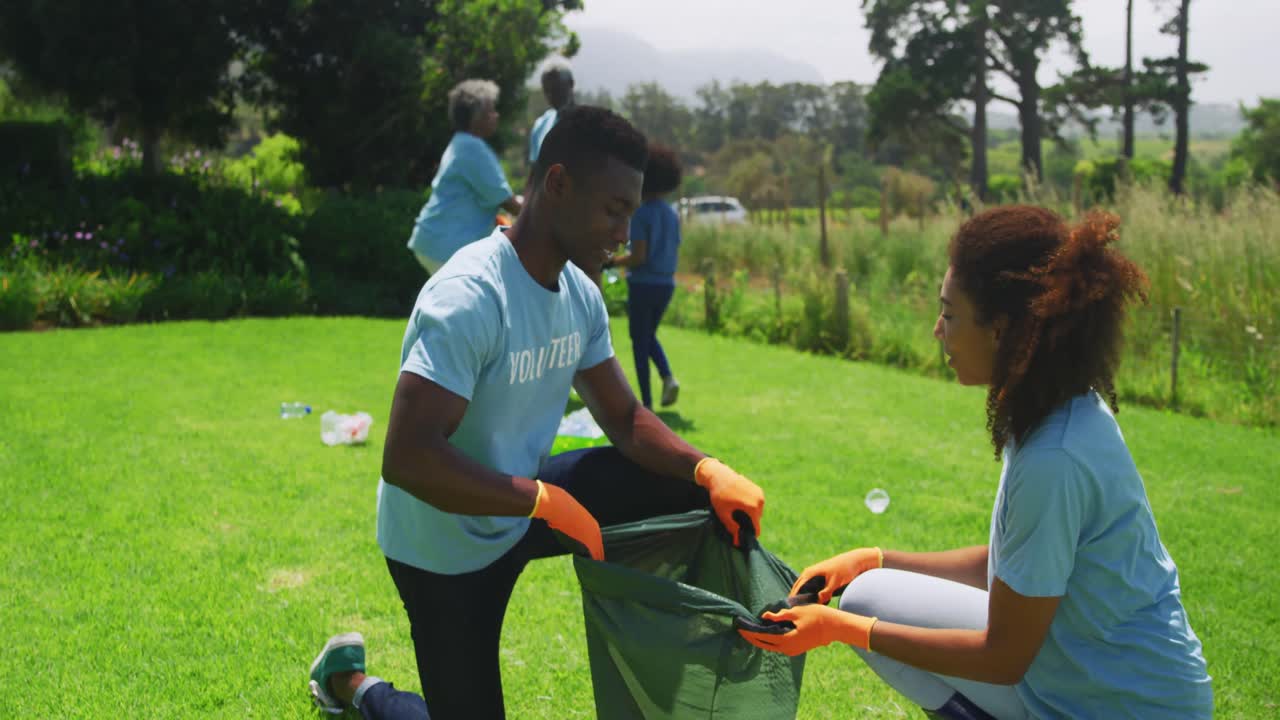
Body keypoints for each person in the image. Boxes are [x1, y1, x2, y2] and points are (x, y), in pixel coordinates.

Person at [308, 106, 766, 720]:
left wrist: (709, 470)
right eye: (613, 209)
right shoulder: (470, 295)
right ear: (557, 185)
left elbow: (626, 420)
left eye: (630, 212)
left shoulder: (579, 295)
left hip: (521, 503)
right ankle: (353, 686)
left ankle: (671, 676)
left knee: (688, 492)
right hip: (443, 543)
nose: (625, 234)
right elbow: (408, 458)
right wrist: (544, 503)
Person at [739, 207, 1213, 719]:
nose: (937, 331)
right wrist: (873, 558)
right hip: (1099, 676)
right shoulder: (1056, 407)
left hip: (1129, 705)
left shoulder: (1054, 456)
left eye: (949, 313)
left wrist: (837, 630)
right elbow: (1015, 566)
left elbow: (1002, 658)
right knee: (868, 590)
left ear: (1002, 328)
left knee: (859, 611)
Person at [407, 79, 522, 275]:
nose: (496, 115)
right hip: (446, 246)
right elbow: (507, 202)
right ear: (476, 118)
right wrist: (542, 213)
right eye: (491, 111)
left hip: (436, 241)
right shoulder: (473, 148)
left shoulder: (461, 143)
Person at [604, 144, 684, 409]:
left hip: (643, 284)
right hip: (666, 285)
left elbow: (638, 256)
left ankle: (646, 403)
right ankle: (667, 377)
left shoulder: (642, 213)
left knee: (640, 342)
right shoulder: (671, 214)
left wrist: (611, 262)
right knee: (648, 336)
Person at [527, 56, 574, 167]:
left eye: (556, 89)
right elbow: (535, 170)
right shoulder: (540, 125)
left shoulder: (587, 123)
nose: (551, 95)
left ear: (571, 84)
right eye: (546, 90)